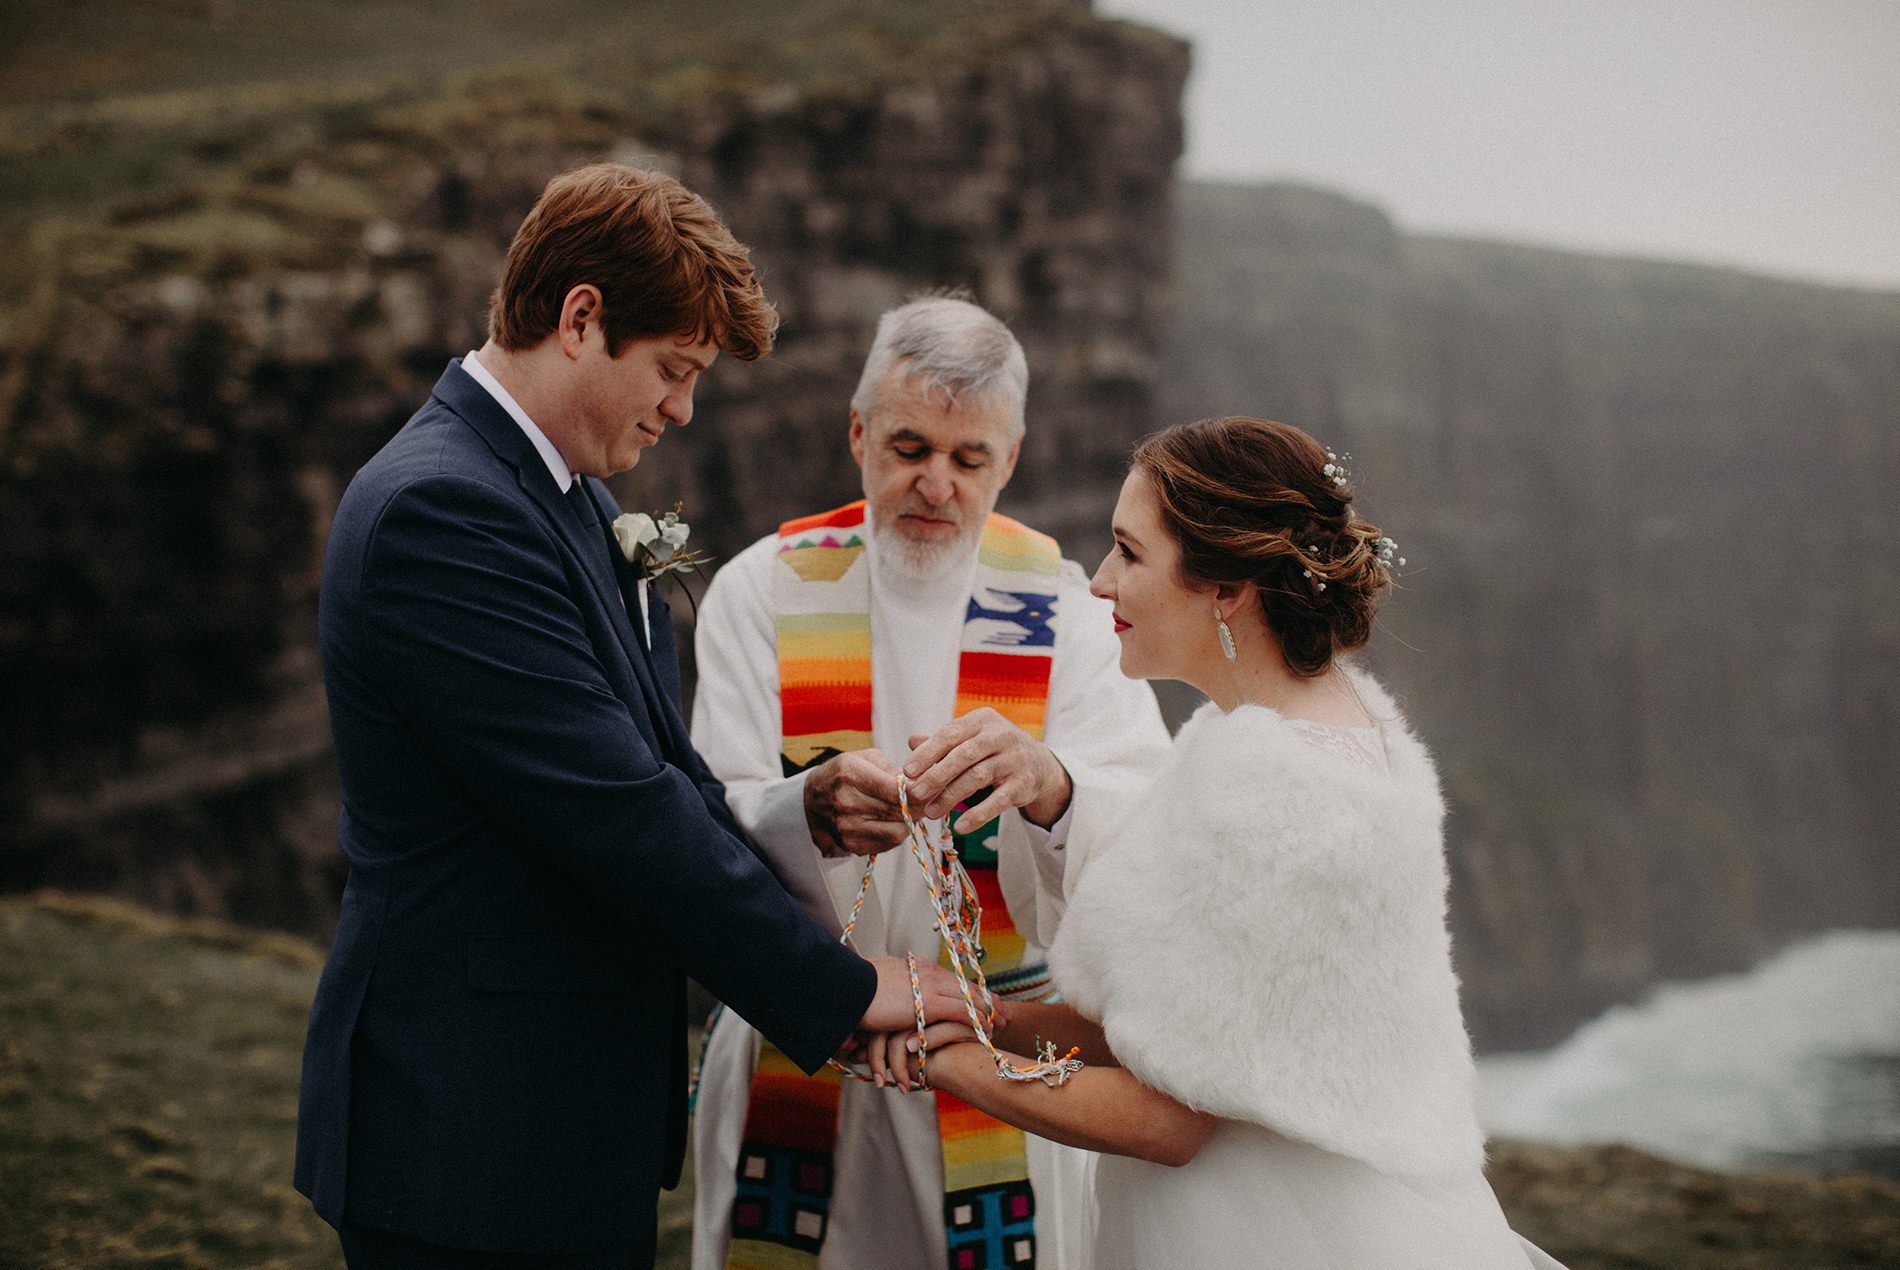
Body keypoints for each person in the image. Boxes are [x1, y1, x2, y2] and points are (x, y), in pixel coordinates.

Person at [293, 163, 964, 1270]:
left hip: (546, 1120)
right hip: (465, 1128)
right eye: (673, 369)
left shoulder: (564, 493)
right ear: (580, 317)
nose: (682, 408)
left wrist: (801, 810)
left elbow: (660, 766)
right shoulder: (442, 510)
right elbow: (613, 809)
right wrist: (839, 987)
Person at [873, 416, 1569, 1269]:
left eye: (1129, 553)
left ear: (1226, 588)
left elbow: (1169, 1118)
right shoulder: (1306, 732)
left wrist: (940, 1058)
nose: (1098, 584)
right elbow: (1175, 1020)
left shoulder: (1277, 789)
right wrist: (976, 1010)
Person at [688, 295, 1172, 1270]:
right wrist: (807, 810)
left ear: (1014, 456)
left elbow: (1153, 834)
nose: (935, 485)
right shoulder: (761, 591)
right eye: (909, 446)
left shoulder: (1072, 617)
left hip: (998, 1053)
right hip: (805, 1040)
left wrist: (1050, 782)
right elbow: (697, 821)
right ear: (858, 430)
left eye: (968, 458)